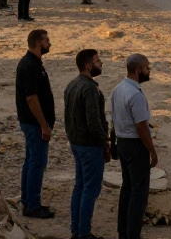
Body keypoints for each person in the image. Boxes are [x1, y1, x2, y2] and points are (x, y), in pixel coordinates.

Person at [111, 54, 157, 239]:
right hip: (135, 146)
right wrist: (152, 151)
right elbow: (141, 127)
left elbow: (113, 119)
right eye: (147, 68)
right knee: (139, 193)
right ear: (138, 70)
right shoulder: (135, 95)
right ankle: (133, 234)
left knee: (127, 189)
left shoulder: (118, 89)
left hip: (122, 143)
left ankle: (123, 232)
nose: (149, 71)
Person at [65, 48, 109, 239]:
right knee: (90, 189)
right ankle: (84, 233)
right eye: (98, 61)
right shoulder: (89, 88)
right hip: (89, 145)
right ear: (88, 65)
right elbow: (94, 122)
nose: (101, 64)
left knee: (80, 187)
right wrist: (104, 145)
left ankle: (76, 230)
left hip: (76, 143)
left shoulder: (72, 84)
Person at [16, 29, 56, 219]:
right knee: (37, 163)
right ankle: (32, 205)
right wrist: (43, 125)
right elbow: (32, 98)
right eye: (47, 41)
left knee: (31, 162)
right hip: (34, 123)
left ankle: (28, 201)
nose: (50, 43)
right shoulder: (29, 65)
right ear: (39, 44)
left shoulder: (34, 63)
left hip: (32, 122)